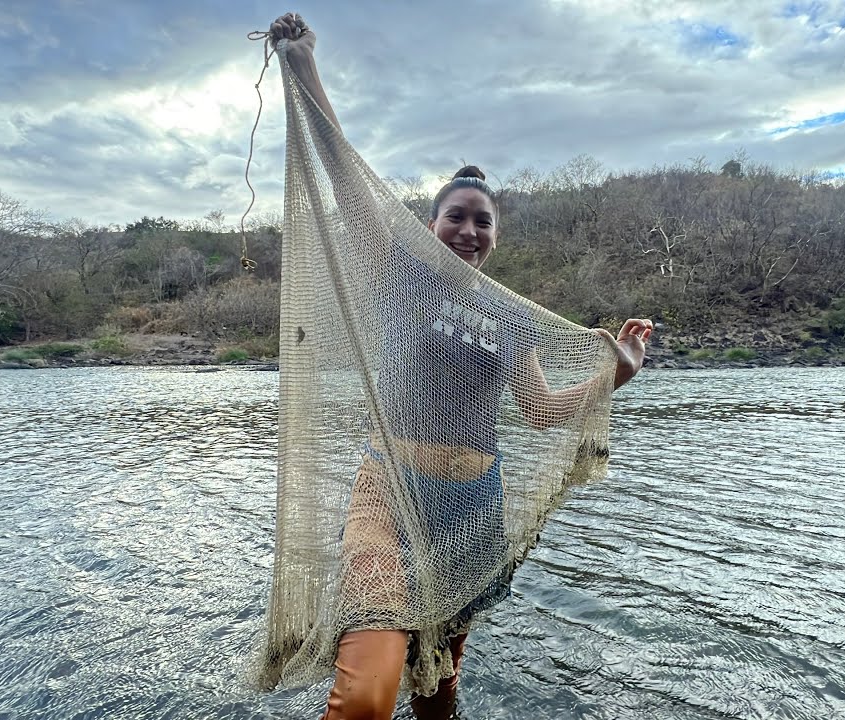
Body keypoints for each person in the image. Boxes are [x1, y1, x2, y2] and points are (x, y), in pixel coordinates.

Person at [267, 13, 653, 720]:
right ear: (430, 223)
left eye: (484, 221)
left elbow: (539, 410)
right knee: (370, 686)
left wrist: (615, 376)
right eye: (456, 216)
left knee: (440, 685)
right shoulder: (399, 272)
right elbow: (345, 173)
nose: (470, 230)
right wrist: (304, 63)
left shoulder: (511, 317)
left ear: (495, 237)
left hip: (473, 507)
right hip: (391, 490)